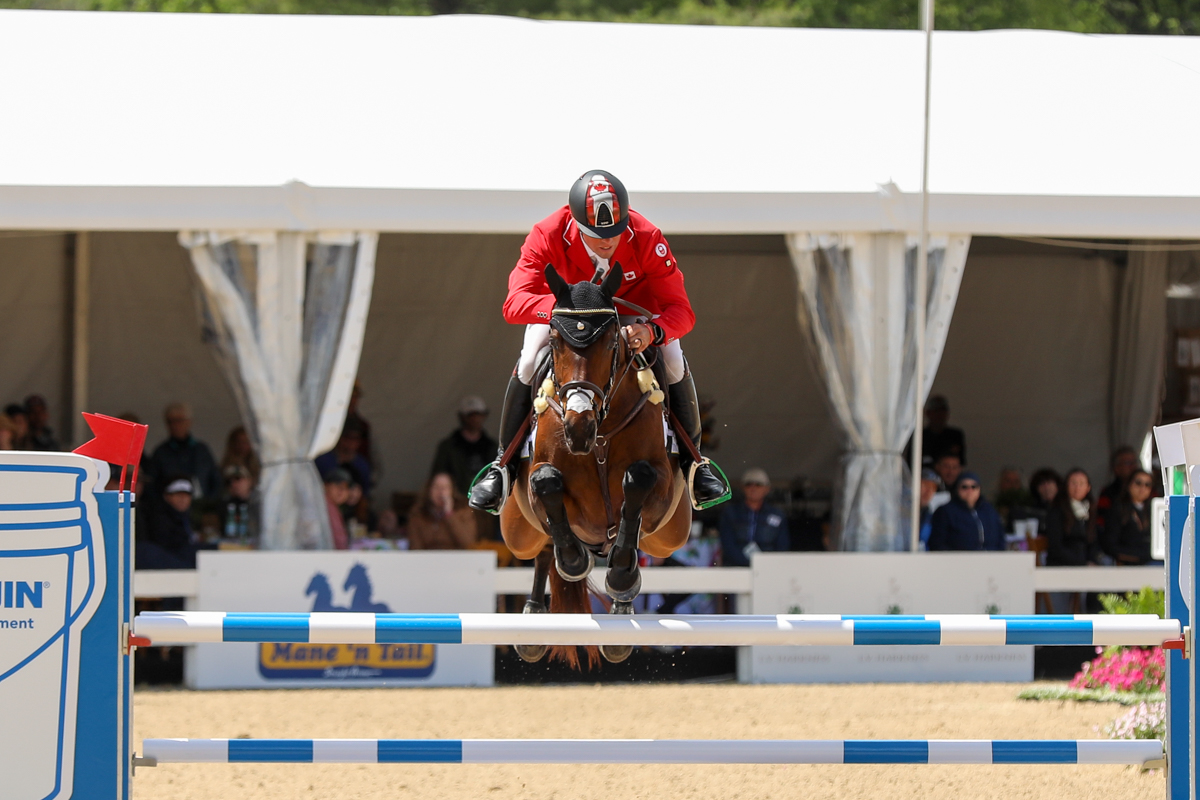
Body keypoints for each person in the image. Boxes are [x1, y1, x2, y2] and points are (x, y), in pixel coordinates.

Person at [468, 169, 728, 513]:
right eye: (595, 235)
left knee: (674, 360)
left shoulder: (647, 236)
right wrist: (567, 308)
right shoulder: (546, 233)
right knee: (529, 360)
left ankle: (695, 464)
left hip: (632, 314)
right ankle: (503, 466)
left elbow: (682, 310)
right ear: (575, 223)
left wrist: (653, 331)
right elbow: (514, 303)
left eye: (615, 232)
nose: (608, 241)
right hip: (565, 315)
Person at [148, 402, 221, 501]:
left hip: (200, 503)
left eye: (179, 420)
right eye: (171, 421)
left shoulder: (201, 450)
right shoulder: (160, 452)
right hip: (169, 506)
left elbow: (216, 480)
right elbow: (152, 485)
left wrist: (209, 504)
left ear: (189, 422)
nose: (175, 425)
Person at [717, 468, 789, 566]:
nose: (753, 488)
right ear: (743, 488)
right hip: (735, 567)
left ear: (767, 489)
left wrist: (766, 564)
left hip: (768, 566)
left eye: (758, 485)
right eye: (748, 484)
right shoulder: (730, 513)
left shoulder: (778, 514)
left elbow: (782, 546)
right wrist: (748, 563)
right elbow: (728, 544)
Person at [431, 396, 498, 496]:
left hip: (486, 498)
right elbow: (439, 476)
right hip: (456, 498)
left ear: (484, 416)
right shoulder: (448, 447)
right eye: (470, 415)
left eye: (478, 414)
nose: (474, 419)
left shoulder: (492, 446)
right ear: (462, 417)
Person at [927, 471, 1004, 551]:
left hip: (991, 557)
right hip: (958, 557)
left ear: (979, 489)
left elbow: (1000, 537)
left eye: (974, 486)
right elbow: (937, 542)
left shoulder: (989, 510)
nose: (969, 490)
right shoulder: (945, 511)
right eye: (964, 487)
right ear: (957, 489)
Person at [138, 476, 199, 569]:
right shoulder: (158, 519)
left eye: (186, 495)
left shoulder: (187, 517)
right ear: (167, 496)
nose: (183, 499)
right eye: (178, 495)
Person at [408, 473, 478, 550]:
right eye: (436, 487)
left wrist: (449, 515)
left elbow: (468, 543)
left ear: (452, 491)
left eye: (445, 487)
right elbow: (415, 548)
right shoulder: (418, 515)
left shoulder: (464, 512)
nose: (441, 491)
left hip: (455, 556)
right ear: (429, 490)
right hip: (428, 557)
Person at [1045, 468, 1098, 566]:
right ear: (1066, 486)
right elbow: (1055, 546)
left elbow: (1093, 541)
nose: (1077, 487)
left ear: (1088, 488)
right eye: (1073, 483)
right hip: (1062, 565)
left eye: (1081, 483)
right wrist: (1081, 564)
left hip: (1085, 566)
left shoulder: (1090, 509)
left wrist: (1091, 560)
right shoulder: (1057, 510)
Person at [1102, 468, 1154, 565]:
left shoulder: (1153, 509)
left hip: (1150, 562)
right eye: (1138, 483)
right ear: (1129, 484)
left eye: (1147, 485)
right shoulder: (1118, 509)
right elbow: (1110, 545)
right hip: (1125, 563)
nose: (1143, 488)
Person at [314, 421, 372, 497]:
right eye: (348, 437)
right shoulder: (323, 460)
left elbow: (365, 495)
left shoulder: (362, 464)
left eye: (356, 438)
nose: (351, 442)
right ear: (339, 437)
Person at [1096, 445, 1140, 539]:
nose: (1133, 466)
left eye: (1134, 462)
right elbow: (1101, 523)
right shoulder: (1107, 493)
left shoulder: (1147, 489)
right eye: (1128, 463)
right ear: (1116, 468)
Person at [912, 395, 966, 466]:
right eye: (936, 411)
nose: (940, 415)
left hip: (950, 472)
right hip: (925, 471)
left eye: (943, 411)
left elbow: (961, 462)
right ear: (928, 413)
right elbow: (912, 462)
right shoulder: (919, 435)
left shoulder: (955, 435)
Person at [219, 465, 258, 543]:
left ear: (249, 480)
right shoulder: (227, 504)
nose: (233, 484)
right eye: (228, 482)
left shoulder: (260, 502)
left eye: (238, 479)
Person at [323, 467, 352, 550]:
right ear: (326, 486)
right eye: (337, 485)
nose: (341, 491)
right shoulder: (325, 505)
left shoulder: (333, 506)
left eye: (345, 487)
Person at [917, 467, 940, 550]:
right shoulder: (901, 510)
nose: (928, 491)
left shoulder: (929, 514)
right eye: (925, 485)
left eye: (933, 488)